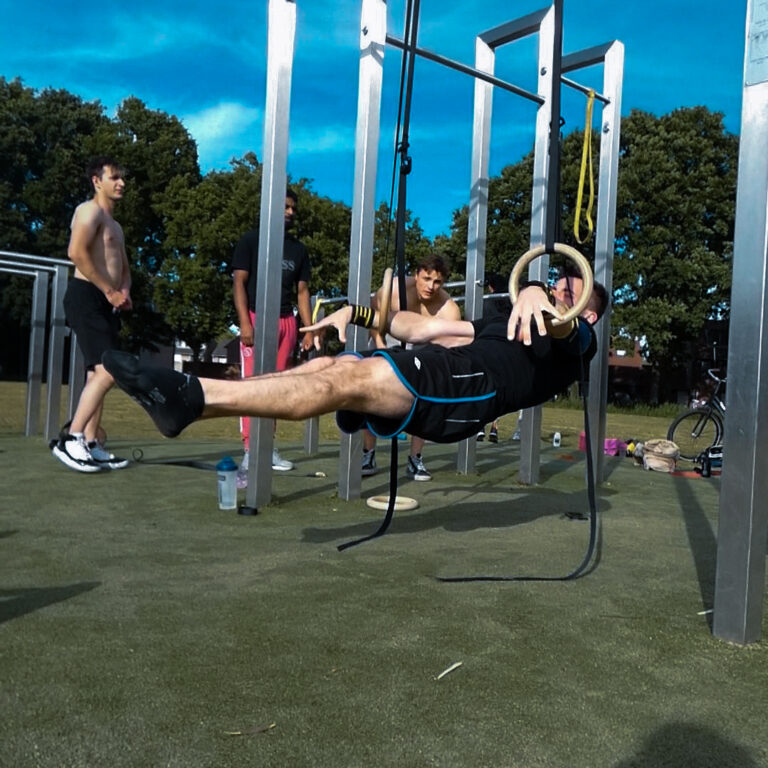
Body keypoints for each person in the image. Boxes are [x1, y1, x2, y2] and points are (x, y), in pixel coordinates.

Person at [101, 281, 609, 457]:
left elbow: (564, 327)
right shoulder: (504, 321)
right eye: (556, 286)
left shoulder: (576, 344)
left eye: (569, 292)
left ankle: (193, 396)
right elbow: (426, 330)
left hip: (470, 392)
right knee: (332, 362)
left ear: (586, 309)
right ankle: (193, 398)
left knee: (345, 379)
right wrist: (358, 314)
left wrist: (537, 294)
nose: (557, 292)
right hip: (445, 363)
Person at [51, 157, 132, 473]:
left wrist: (123, 292)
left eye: (122, 177)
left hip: (107, 303)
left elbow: (124, 268)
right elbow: (76, 252)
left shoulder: (116, 226)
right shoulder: (89, 210)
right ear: (97, 181)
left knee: (96, 375)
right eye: (115, 177)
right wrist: (107, 289)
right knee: (108, 371)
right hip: (85, 295)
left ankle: (92, 443)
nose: (121, 182)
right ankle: (71, 440)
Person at [232, 188, 313, 479]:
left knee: (276, 389)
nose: (290, 212)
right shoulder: (251, 241)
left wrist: (307, 329)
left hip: (286, 322)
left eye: (293, 208)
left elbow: (302, 292)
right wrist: (244, 323)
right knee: (252, 388)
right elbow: (239, 283)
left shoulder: (298, 250)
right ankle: (250, 451)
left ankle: (267, 448)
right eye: (285, 207)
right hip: (256, 318)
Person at [362, 254, 461, 481]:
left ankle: (415, 459)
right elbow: (374, 315)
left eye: (437, 282)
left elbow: (447, 348)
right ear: (416, 274)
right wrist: (380, 344)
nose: (430, 286)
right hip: (390, 333)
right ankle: (368, 453)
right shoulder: (395, 289)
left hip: (423, 342)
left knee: (424, 398)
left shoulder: (448, 309)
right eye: (426, 279)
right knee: (370, 393)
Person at [476, 272, 509, 444]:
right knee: (498, 389)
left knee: (483, 387)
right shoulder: (509, 301)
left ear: (491, 286)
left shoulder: (485, 302)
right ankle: (494, 428)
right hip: (504, 348)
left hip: (485, 344)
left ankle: (480, 426)